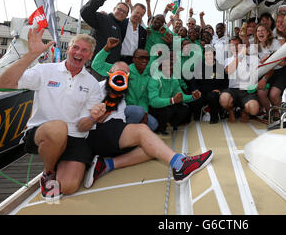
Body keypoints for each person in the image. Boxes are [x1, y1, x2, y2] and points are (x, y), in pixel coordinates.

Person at [0, 30, 102, 202]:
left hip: (75, 137)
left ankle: (61, 161)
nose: (79, 53)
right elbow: (3, 84)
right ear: (68, 50)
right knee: (58, 128)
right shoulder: (45, 71)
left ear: (90, 55)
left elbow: (83, 127)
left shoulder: (92, 84)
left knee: (67, 187)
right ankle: (49, 171)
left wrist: (93, 118)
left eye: (84, 50)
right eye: (76, 47)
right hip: (43, 133)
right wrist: (32, 54)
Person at [84, 61, 213, 188]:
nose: (122, 75)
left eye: (126, 73)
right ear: (110, 73)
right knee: (143, 131)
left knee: (152, 149)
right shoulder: (98, 88)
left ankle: (107, 164)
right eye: (119, 72)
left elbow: (179, 96)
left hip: (114, 134)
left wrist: (191, 97)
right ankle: (180, 165)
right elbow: (96, 119)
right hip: (97, 132)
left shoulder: (122, 93)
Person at [91, 37, 158, 131]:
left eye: (147, 58)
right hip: (119, 108)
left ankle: (133, 131)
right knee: (138, 113)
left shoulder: (147, 76)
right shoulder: (123, 70)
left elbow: (143, 98)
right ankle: (126, 133)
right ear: (134, 59)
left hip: (137, 109)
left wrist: (145, 113)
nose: (144, 60)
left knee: (153, 124)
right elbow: (97, 65)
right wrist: (107, 48)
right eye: (141, 57)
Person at [80, 0, 131, 78]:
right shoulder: (103, 18)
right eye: (119, 9)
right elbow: (85, 12)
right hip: (96, 69)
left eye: (124, 12)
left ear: (126, 16)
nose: (121, 13)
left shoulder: (120, 27)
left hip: (109, 72)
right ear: (114, 9)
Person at [148, 52, 200, 135]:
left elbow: (181, 96)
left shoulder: (173, 79)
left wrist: (193, 97)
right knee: (165, 111)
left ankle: (173, 123)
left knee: (184, 108)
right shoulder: (155, 79)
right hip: (155, 108)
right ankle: (160, 128)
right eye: (167, 66)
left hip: (167, 104)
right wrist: (171, 100)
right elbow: (154, 102)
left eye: (171, 65)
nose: (170, 68)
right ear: (160, 67)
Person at [254, 24, 286, 120]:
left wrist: (269, 56)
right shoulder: (257, 47)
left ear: (268, 33)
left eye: (263, 30)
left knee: (273, 94)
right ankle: (269, 112)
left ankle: (278, 114)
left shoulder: (275, 43)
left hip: (281, 72)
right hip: (268, 72)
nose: (260, 32)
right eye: (258, 31)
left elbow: (282, 62)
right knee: (261, 93)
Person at [220, 36, 260, 123]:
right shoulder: (228, 60)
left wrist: (264, 80)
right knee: (223, 99)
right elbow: (229, 70)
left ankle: (244, 111)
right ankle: (231, 111)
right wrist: (240, 56)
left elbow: (266, 67)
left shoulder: (253, 59)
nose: (235, 47)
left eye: (237, 44)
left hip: (247, 91)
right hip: (232, 90)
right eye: (232, 45)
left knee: (254, 109)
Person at [189, 45, 228, 123]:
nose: (208, 56)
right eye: (206, 55)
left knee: (212, 96)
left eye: (210, 54)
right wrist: (195, 90)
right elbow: (193, 82)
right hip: (201, 92)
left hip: (213, 92)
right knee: (196, 97)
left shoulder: (220, 68)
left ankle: (214, 117)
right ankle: (197, 116)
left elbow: (225, 83)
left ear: (214, 55)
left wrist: (220, 90)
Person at [119, 0, 148, 65]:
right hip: (118, 59)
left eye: (141, 14)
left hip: (134, 63)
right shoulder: (120, 23)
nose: (138, 16)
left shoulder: (143, 31)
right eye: (137, 12)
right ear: (132, 11)